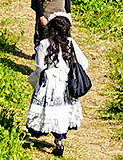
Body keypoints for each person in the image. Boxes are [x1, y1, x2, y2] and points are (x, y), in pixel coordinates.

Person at [26, 13, 88, 157]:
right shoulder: (70, 43)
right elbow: (84, 63)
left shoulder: (44, 44)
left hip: (49, 84)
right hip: (65, 84)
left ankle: (47, 136)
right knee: (62, 113)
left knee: (48, 111)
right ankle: (58, 141)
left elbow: (39, 65)